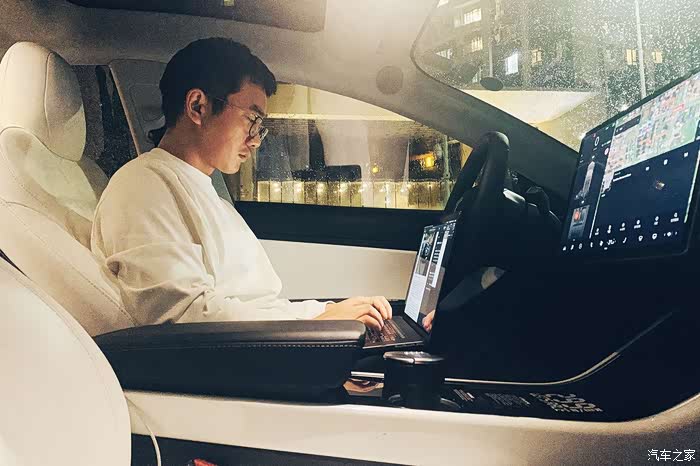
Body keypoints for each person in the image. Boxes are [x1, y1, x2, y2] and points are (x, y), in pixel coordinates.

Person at [91, 38, 391, 330]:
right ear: (198, 106)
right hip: (236, 358)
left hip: (260, 348)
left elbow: (261, 305)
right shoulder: (142, 187)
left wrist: (327, 312)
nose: (256, 140)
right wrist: (314, 326)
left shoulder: (211, 196)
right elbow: (184, 316)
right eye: (252, 119)